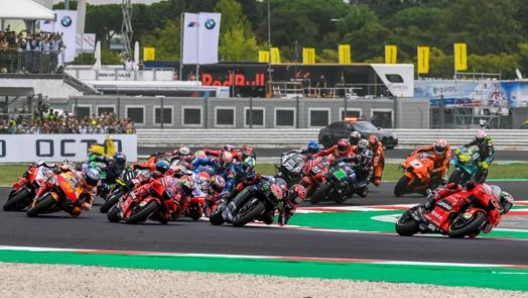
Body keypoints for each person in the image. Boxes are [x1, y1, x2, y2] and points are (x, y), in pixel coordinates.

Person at [424, 180, 514, 232]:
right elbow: (473, 185)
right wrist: (473, 184)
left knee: (473, 233)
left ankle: (457, 222)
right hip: (463, 197)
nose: (505, 207)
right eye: (504, 203)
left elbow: (486, 230)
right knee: (456, 187)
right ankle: (433, 199)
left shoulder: (497, 217)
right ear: (500, 198)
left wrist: (487, 225)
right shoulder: (492, 196)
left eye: (507, 207)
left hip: (468, 225)